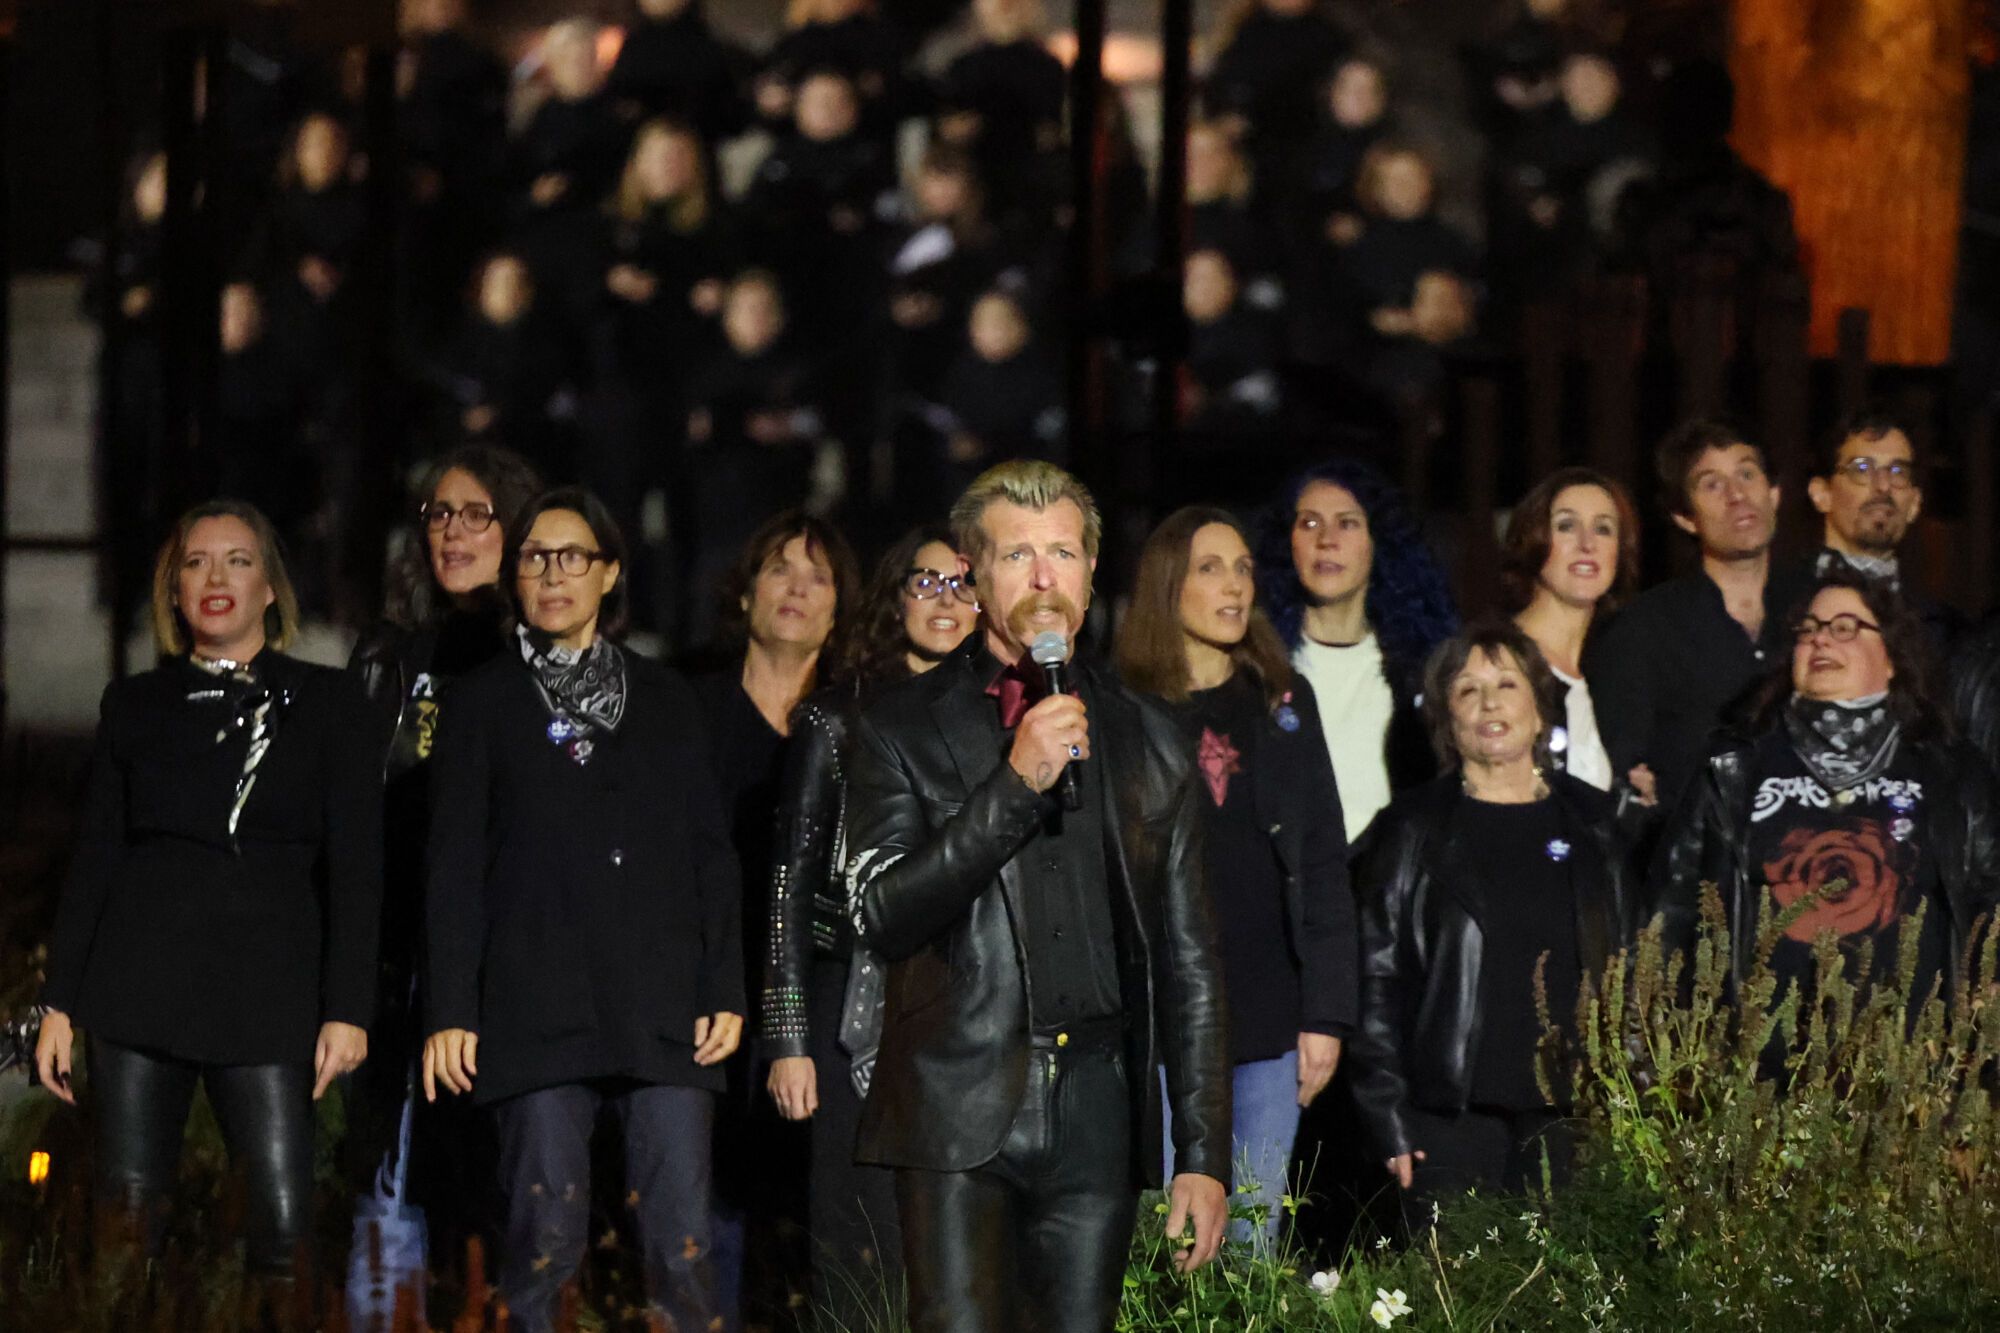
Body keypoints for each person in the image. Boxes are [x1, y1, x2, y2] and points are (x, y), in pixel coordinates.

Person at [845, 460, 1231, 1333]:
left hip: (1097, 1107)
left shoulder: (1152, 738)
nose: (1044, 576)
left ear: (1094, 575)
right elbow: (884, 911)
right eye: (1018, 555)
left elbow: (1192, 959)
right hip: (957, 1101)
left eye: (1063, 551)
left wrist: (1201, 1153)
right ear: (977, 578)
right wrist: (1015, 783)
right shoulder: (899, 726)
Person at [421, 487, 743, 1333]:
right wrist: (452, 1007)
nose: (553, 573)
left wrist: (726, 986)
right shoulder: (482, 703)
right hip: (537, 1005)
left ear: (609, 575)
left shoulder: (670, 698)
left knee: (681, 1247)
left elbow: (710, 853)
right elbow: (451, 865)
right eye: (535, 556)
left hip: (663, 1004)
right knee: (542, 1243)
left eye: (574, 556)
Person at [37, 500, 381, 1280]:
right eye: (195, 562)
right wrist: (59, 1001)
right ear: (174, 589)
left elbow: (358, 870)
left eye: (237, 559)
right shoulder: (135, 703)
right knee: (129, 1226)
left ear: (270, 588)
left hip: (268, 994)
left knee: (285, 1229)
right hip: (137, 988)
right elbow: (96, 857)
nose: (215, 577)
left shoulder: (332, 706)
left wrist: (347, 1007)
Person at [1115, 505, 1355, 1248]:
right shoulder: (1123, 709)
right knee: (1170, 1242)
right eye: (1210, 568)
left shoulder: (1283, 701)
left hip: (1268, 1015)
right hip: (1163, 1021)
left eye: (1244, 567)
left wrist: (1326, 1013)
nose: (1234, 585)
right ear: (1167, 586)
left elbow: (1321, 860)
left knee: (1252, 1243)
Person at [1349, 619, 1640, 1218]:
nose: (1488, 703)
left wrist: (1633, 1102)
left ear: (1539, 710)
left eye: (1506, 684)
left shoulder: (1595, 822)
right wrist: (1389, 1115)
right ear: (1447, 722)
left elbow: (1634, 968)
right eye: (1466, 690)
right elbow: (1373, 981)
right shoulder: (1409, 830)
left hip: (1576, 1117)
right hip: (1449, 1123)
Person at [763, 525, 978, 1320]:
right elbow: (787, 884)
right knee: (855, 1246)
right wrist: (788, 1038)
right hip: (845, 1000)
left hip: (963, 1005)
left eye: (963, 583)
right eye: (925, 582)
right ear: (895, 597)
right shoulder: (833, 720)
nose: (945, 600)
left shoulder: (1006, 719)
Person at [344, 445, 544, 1298]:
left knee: (494, 1202)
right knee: (390, 1193)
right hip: (404, 964)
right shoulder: (390, 652)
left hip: (512, 964)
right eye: (439, 513)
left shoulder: (543, 653)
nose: (453, 531)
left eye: (476, 513)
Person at [1655, 568, 2000, 1004]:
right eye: (1809, 630)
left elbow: (1992, 891)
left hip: (1910, 1057)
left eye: (1845, 628)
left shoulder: (1950, 770)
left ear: (1892, 656)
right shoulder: (1735, 765)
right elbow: (1673, 905)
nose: (1821, 640)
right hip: (1755, 1059)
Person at [695, 511, 860, 1326]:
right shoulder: (689, 717)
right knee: (715, 1220)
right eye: (780, 568)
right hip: (710, 1010)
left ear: (841, 607)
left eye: (818, 575)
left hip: (822, 1016)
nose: (797, 587)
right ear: (746, 590)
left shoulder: (860, 729)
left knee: (817, 1232)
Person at [1585, 419, 1810, 814]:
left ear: (1774, 493)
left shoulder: (1819, 612)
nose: (1737, 494)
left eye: (1746, 473)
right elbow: (1622, 773)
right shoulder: (1643, 630)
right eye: (1712, 484)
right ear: (1685, 517)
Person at [1257, 455, 1456, 843]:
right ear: (1288, 544)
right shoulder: (1258, 664)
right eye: (1309, 523)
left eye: (1347, 523)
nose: (1326, 540)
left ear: (1377, 542)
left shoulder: (1422, 670)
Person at [1500, 466, 1649, 797]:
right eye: (1566, 526)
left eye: (1604, 529)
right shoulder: (1496, 661)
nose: (1587, 544)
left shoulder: (1612, 672)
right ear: (1533, 539)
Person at [1801, 408, 1960, 651]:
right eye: (1862, 469)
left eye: (1898, 472)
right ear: (1821, 494)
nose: (1883, 486)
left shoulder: (1945, 632)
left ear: (1915, 503)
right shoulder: (1778, 609)